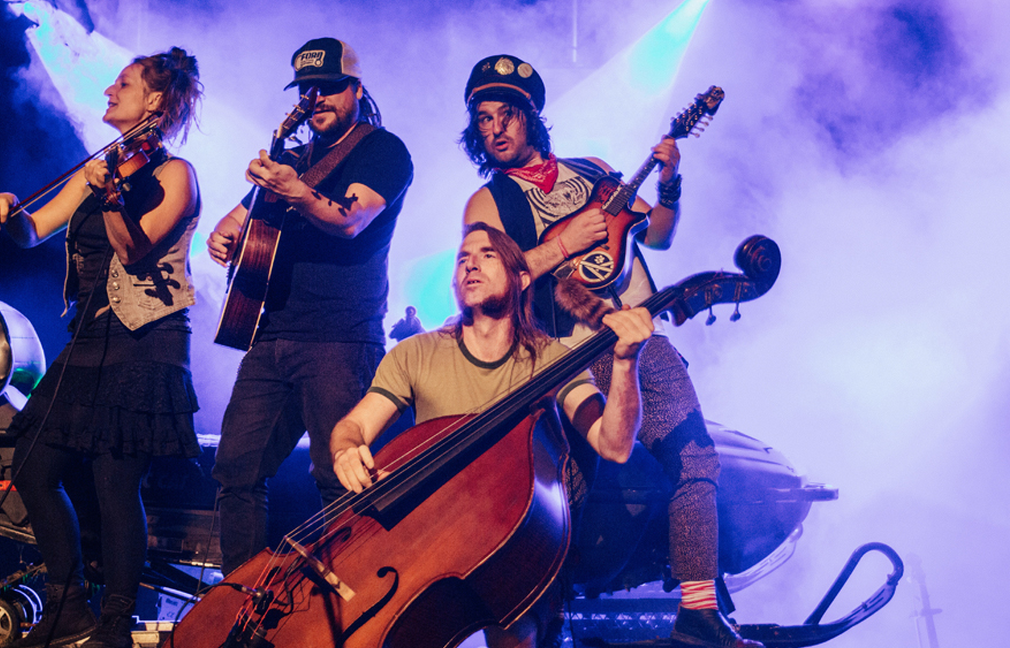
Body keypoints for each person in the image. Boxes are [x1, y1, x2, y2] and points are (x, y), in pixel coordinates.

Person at [459, 55, 763, 648]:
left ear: (532, 117)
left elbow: (659, 234)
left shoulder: (593, 170)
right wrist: (562, 246)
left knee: (697, 459)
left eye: (506, 115)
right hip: (562, 360)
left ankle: (699, 615)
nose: (493, 129)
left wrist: (670, 180)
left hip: (641, 337)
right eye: (482, 119)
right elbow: (490, 285)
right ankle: (535, 632)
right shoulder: (486, 204)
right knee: (557, 502)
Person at [331, 223, 653, 648]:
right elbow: (353, 427)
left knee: (515, 632)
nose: (469, 265)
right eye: (462, 258)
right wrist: (345, 453)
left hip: (511, 543)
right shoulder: (415, 353)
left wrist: (626, 363)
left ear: (521, 280)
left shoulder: (553, 358)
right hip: (425, 541)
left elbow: (613, 444)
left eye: (486, 255)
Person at [0, 47, 203, 648]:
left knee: (113, 482)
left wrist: (109, 199)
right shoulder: (99, 166)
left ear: (154, 100)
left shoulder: (175, 174)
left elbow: (134, 251)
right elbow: (35, 230)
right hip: (91, 334)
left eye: (123, 83)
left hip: (147, 339)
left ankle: (115, 624)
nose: (108, 90)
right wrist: (10, 211)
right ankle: (67, 603)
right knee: (32, 464)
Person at [207, 37, 413, 576]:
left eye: (328, 87)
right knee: (235, 469)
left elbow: (350, 220)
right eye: (307, 89)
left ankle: (354, 606)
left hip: (340, 340)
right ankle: (242, 603)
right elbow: (236, 220)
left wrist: (295, 191)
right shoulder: (292, 158)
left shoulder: (382, 150)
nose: (316, 97)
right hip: (270, 335)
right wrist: (225, 235)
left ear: (356, 89)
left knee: (338, 477)